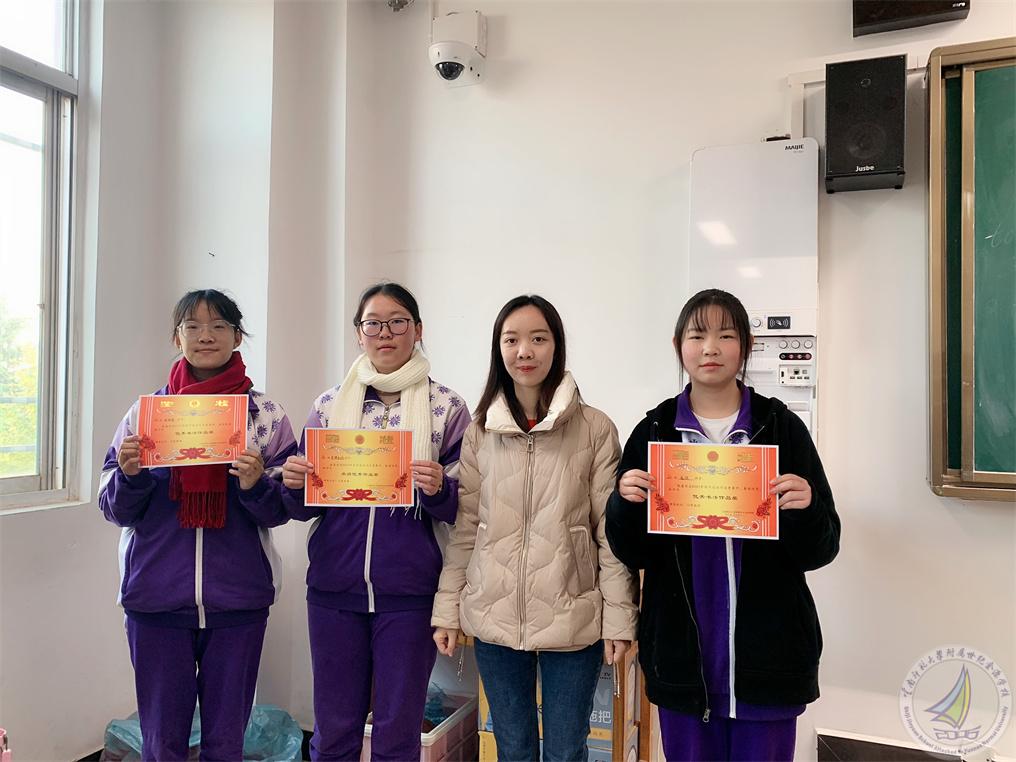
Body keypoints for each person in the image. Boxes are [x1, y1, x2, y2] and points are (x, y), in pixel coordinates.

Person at [605, 288, 840, 762]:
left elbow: (822, 547)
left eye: (726, 335)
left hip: (768, 663)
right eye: (697, 335)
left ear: (745, 346)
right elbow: (632, 552)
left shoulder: (781, 428)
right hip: (682, 664)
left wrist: (807, 506)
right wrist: (624, 504)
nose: (710, 347)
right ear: (679, 346)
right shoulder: (654, 431)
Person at [432, 294, 639, 762]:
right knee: (513, 749)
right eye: (512, 340)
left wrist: (619, 619)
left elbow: (608, 534)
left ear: (556, 346)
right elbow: (467, 528)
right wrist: (447, 610)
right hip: (494, 616)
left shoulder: (595, 428)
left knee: (567, 751)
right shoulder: (480, 431)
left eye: (538, 339)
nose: (524, 351)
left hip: (573, 617)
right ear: (499, 349)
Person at [99, 289, 297, 761]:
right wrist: (130, 476)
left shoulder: (264, 416)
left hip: (238, 601)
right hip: (155, 599)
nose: (205, 336)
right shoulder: (145, 414)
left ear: (237, 337)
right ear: (177, 337)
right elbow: (114, 509)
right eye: (193, 327)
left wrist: (254, 485)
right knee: (161, 740)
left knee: (226, 741)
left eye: (219, 326)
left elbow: (284, 508)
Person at [281, 282, 471, 762]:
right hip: (333, 590)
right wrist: (295, 483)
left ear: (418, 330)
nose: (385, 333)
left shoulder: (446, 408)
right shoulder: (329, 406)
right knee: (333, 730)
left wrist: (438, 489)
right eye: (373, 323)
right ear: (358, 334)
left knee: (397, 731)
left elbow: (466, 507)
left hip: (409, 592)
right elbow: (302, 507)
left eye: (397, 322)